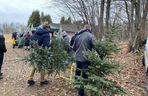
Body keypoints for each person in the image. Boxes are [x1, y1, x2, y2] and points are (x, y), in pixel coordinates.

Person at [72, 24, 95, 96]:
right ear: (89, 29)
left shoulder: (78, 36)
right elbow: (96, 46)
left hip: (78, 58)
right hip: (86, 59)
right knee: (84, 76)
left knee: (77, 73)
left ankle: (76, 87)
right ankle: (81, 93)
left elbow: (74, 48)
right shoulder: (91, 36)